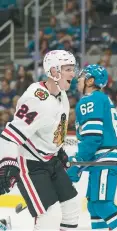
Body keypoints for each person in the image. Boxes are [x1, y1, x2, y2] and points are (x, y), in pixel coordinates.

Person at [0, 50, 80, 230]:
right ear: (54, 72)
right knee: (49, 215)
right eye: (68, 69)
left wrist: (58, 151)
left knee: (72, 205)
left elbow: (53, 130)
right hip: (30, 164)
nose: (72, 73)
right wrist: (7, 164)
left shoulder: (62, 95)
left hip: (50, 160)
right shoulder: (37, 99)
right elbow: (10, 135)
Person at [67, 64, 117, 230]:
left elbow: (93, 137)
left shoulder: (89, 100)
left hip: (106, 157)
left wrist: (78, 162)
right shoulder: (101, 98)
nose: (78, 80)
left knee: (102, 204)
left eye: (82, 77)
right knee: (94, 205)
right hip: (105, 157)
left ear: (90, 81)